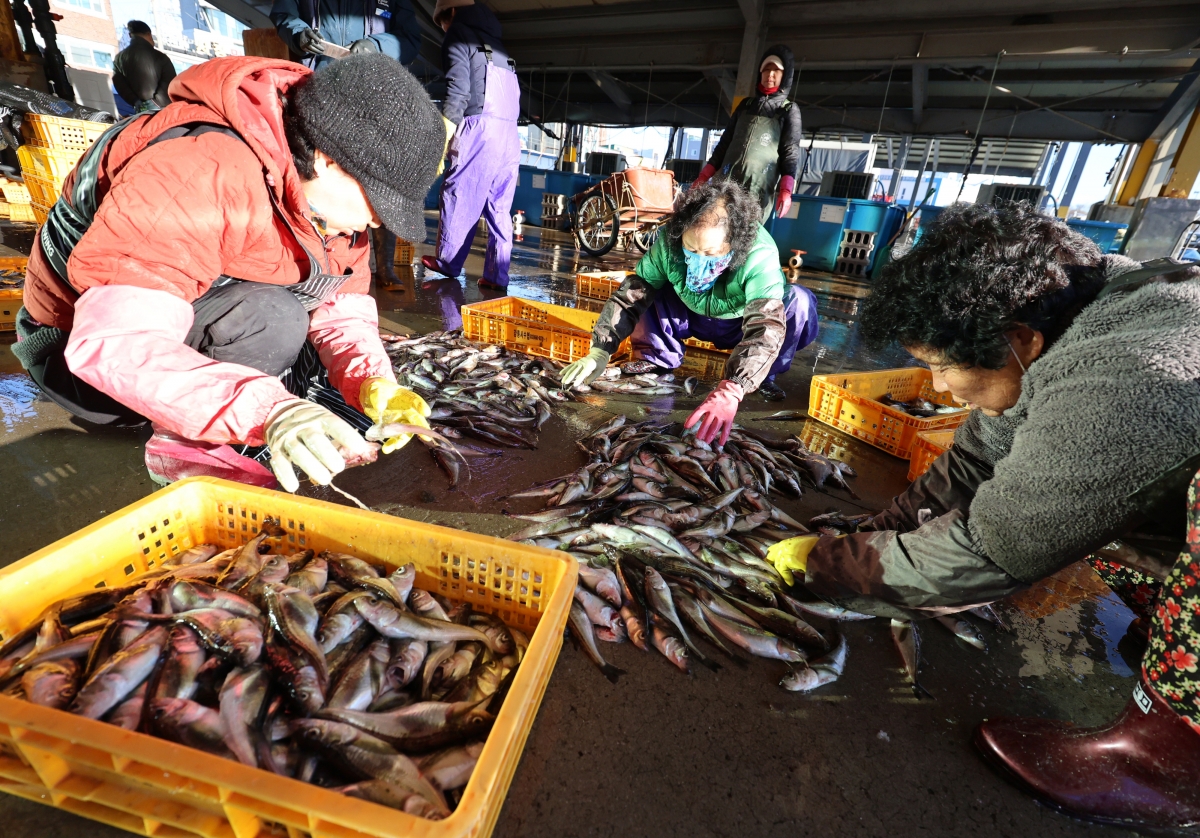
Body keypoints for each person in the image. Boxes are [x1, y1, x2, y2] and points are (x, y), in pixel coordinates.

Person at [766, 201, 1200, 830]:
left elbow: (995, 548)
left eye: (942, 366)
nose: (938, 388)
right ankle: (1175, 633)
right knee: (1078, 494)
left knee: (1066, 506)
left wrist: (835, 564)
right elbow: (975, 466)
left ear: (1018, 339)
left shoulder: (1123, 382)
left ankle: (1166, 761)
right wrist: (874, 534)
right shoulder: (1074, 316)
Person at [13, 54, 447, 493]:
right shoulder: (202, 168)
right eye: (379, 199)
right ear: (327, 159)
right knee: (276, 318)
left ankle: (214, 415)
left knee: (310, 345)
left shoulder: (329, 212)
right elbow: (114, 343)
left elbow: (341, 309)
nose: (377, 221)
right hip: (77, 358)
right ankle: (185, 446)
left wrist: (371, 380)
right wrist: (267, 411)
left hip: (179, 326)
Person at [560, 180, 819, 419]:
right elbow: (630, 297)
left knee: (799, 301)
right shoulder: (668, 243)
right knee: (646, 285)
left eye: (710, 252)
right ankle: (656, 359)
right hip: (688, 315)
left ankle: (762, 375)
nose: (699, 258)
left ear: (734, 242)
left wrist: (735, 386)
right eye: (692, 249)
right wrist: (600, 349)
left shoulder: (759, 256)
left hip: (739, 326)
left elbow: (765, 328)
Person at [271, 0, 422, 288]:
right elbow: (283, 13)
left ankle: (380, 268)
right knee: (310, 179)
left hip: (371, 96)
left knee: (374, 184)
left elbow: (411, 39)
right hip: (317, 92)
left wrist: (376, 46)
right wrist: (299, 33)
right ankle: (311, 265)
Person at [420, 0, 520, 292]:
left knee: (458, 191)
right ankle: (497, 275)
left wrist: (446, 130)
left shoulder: (458, 34)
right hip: (511, 134)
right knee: (499, 207)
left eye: (442, 22)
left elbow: (459, 88)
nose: (443, 29)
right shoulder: (498, 44)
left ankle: (448, 261)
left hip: (481, 127)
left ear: (449, 13)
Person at [695, 44, 802, 221]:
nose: (770, 75)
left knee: (746, 234)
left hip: (757, 188)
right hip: (727, 180)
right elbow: (724, 144)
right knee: (716, 224)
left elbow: (790, 152)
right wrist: (704, 176)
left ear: (786, 75)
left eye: (776, 70)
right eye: (766, 70)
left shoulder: (789, 110)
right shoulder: (745, 105)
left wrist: (786, 190)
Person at [111, 21, 176, 113]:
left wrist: (135, 101)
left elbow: (119, 83)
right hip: (163, 110)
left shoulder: (119, 59)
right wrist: (156, 102)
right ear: (149, 34)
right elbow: (171, 83)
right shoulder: (160, 57)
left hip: (140, 112)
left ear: (130, 35)